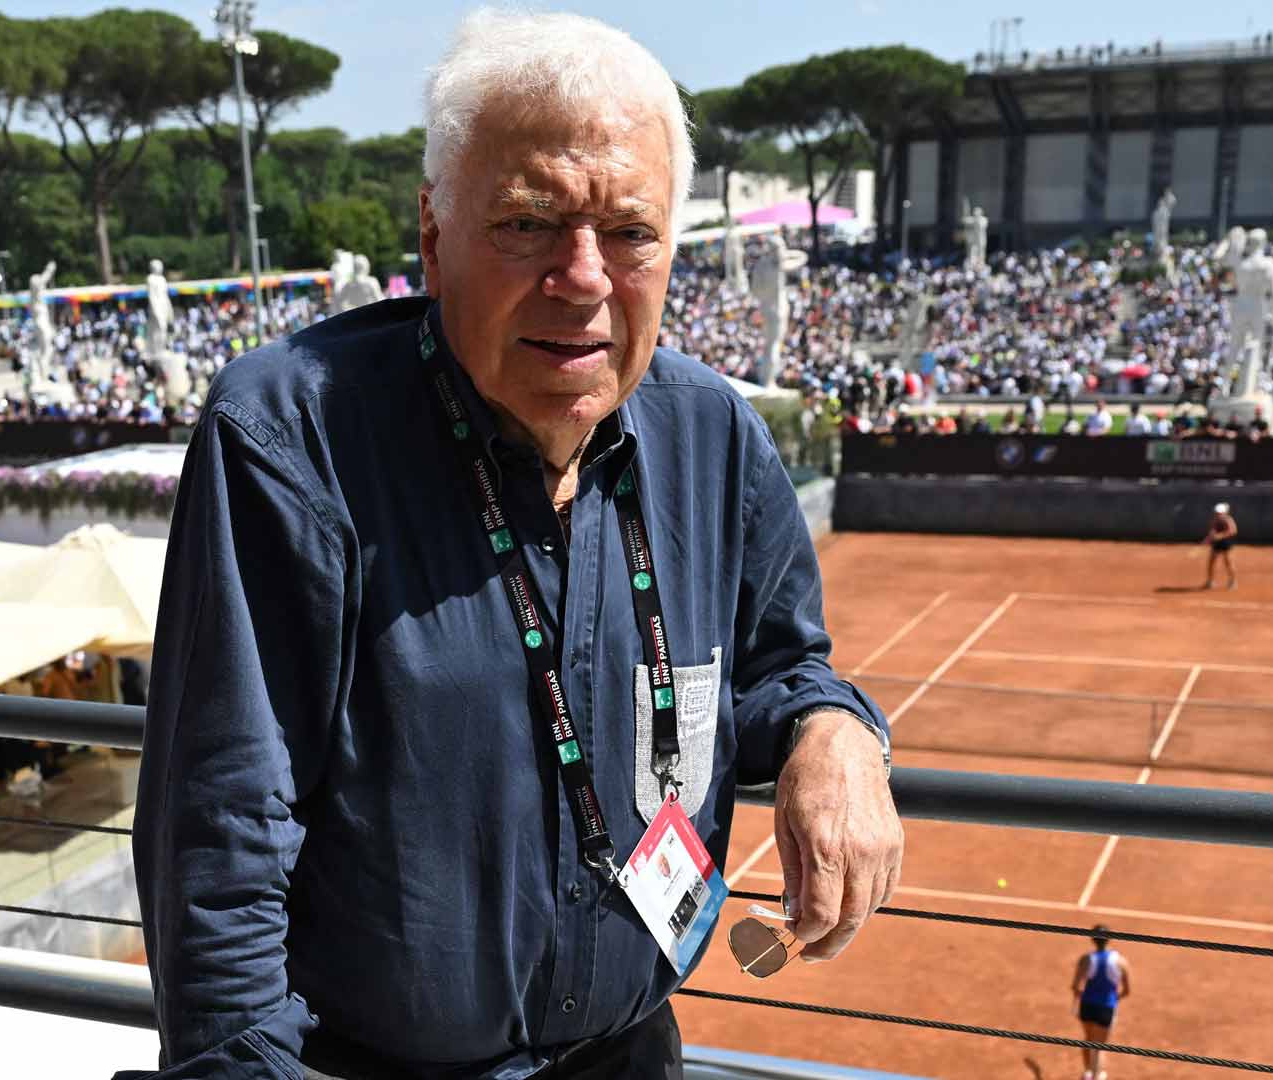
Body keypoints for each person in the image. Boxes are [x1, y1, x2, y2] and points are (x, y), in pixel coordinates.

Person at [124, 12, 902, 1080]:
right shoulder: (290, 436)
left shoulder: (715, 434)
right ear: (433, 235)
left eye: (629, 233)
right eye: (529, 224)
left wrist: (835, 731)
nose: (583, 277)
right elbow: (220, 846)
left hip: (631, 1057)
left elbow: (781, 666)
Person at [1071, 925, 1131, 1080]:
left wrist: (1078, 999)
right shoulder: (1121, 961)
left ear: (1092, 939)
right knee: (1099, 1047)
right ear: (1109, 939)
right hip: (1106, 1007)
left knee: (1088, 1040)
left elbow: (1076, 986)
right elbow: (1126, 991)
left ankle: (1088, 1073)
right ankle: (1097, 1076)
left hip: (1087, 1005)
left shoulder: (1085, 959)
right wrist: (1114, 999)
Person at [1201, 502, 1238, 590]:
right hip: (1217, 543)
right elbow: (1213, 530)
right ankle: (1210, 582)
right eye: (1217, 512)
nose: (1218, 514)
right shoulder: (1215, 520)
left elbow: (1233, 530)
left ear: (1224, 512)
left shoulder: (1228, 520)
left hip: (1226, 542)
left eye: (1220, 512)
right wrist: (1208, 538)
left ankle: (1233, 582)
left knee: (1228, 562)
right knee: (1211, 562)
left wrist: (1220, 536)